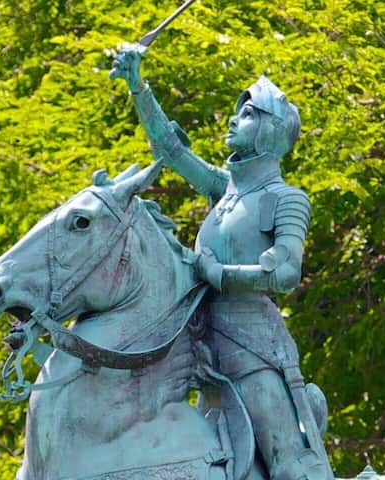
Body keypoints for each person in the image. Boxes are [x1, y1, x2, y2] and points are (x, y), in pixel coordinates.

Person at [109, 43, 333, 480]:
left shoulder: (286, 199)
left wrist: (218, 273)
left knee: (291, 468)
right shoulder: (223, 188)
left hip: (253, 349)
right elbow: (168, 148)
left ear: (271, 130)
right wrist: (138, 85)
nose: (234, 119)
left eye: (248, 114)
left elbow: (286, 273)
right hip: (200, 350)